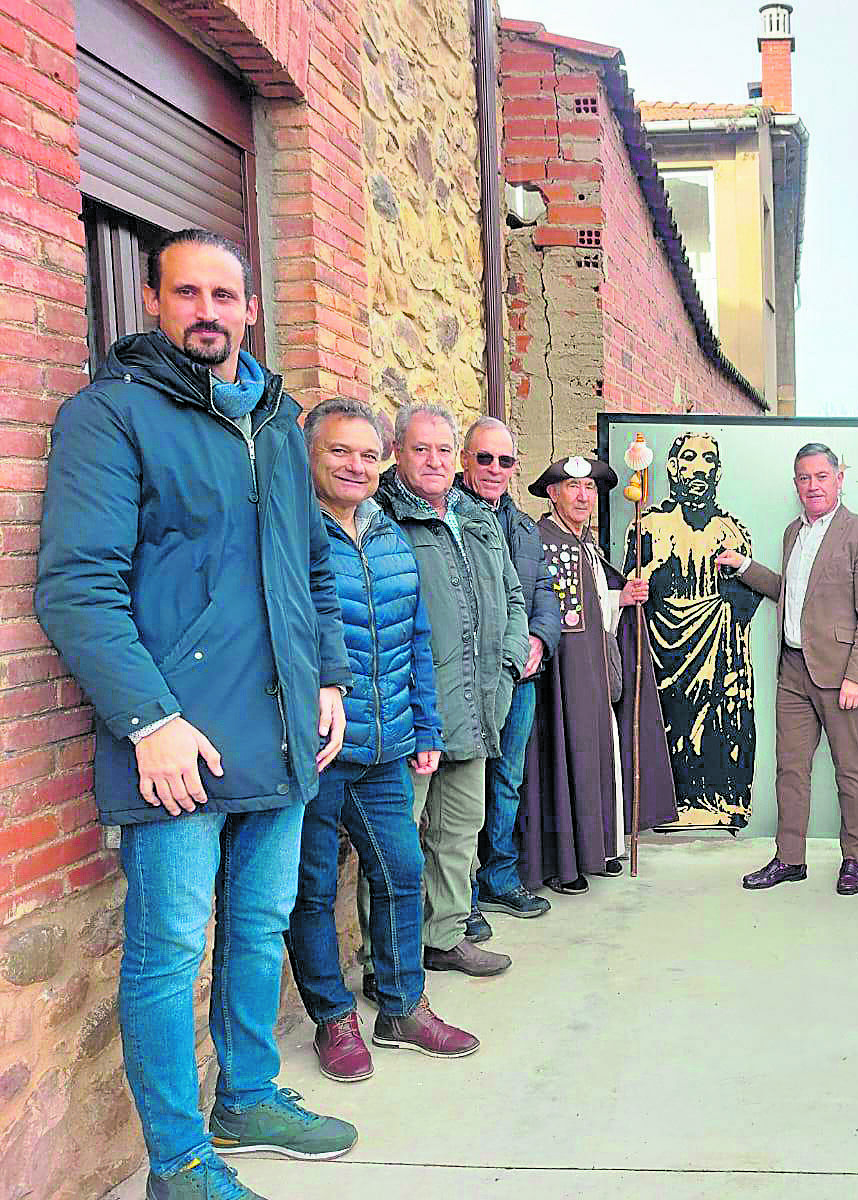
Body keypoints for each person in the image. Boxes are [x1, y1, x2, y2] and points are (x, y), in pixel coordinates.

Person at [35, 228, 356, 1200]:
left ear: (250, 308)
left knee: (258, 929)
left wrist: (329, 678)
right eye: (189, 294)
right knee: (172, 951)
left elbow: (313, 567)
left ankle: (248, 1093)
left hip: (284, 735)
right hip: (179, 747)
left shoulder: (278, 421)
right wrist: (149, 721)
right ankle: (178, 1164)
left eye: (226, 295)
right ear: (153, 300)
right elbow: (75, 587)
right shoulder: (111, 416)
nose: (209, 312)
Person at [285, 398, 479, 1083]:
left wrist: (425, 726)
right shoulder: (291, 537)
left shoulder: (391, 535)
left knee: (400, 872)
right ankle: (332, 1019)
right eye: (340, 451)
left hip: (387, 746)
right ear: (310, 455)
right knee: (309, 890)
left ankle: (401, 1006)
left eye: (368, 454)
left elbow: (416, 640)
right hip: (315, 752)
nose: (356, 465)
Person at [374, 404, 528, 978]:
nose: (434, 460)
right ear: (398, 451)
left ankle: (445, 936)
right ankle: (386, 957)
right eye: (422, 449)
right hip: (415, 711)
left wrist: (509, 665)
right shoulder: (382, 519)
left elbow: (513, 598)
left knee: (459, 833)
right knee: (398, 845)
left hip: (478, 705)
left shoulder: (476, 518)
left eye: (443, 450)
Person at [714, 443, 858, 895]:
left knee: (850, 769)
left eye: (820, 476)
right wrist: (744, 567)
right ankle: (789, 857)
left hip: (840, 676)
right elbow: (791, 591)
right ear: (796, 484)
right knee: (790, 770)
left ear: (838, 478)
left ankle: (855, 858)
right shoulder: (794, 532)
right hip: (792, 669)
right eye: (803, 478)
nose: (812, 485)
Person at [522, 456, 678, 894]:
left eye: (589, 488)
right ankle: (566, 862)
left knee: (600, 752)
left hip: (594, 673)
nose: (582, 495)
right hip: (563, 678)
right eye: (572, 488)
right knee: (567, 755)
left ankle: (600, 847)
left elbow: (593, 608)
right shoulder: (544, 543)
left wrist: (621, 596)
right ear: (553, 494)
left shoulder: (587, 545)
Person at [625, 432, 764, 828]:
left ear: (718, 471)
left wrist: (734, 579)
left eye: (708, 460)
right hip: (663, 650)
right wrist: (649, 573)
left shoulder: (732, 531)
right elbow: (630, 598)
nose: (699, 469)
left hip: (719, 651)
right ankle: (667, 801)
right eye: (689, 459)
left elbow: (747, 603)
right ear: (673, 468)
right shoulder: (648, 526)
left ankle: (720, 799)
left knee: (718, 721)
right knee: (670, 720)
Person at [456, 417, 562, 928]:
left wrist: (539, 639)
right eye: (484, 458)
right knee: (462, 790)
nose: (495, 469)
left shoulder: (521, 526)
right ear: (464, 459)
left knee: (506, 781)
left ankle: (499, 876)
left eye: (505, 461)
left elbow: (542, 591)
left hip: (519, 678)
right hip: (469, 681)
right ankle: (462, 897)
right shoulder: (447, 516)